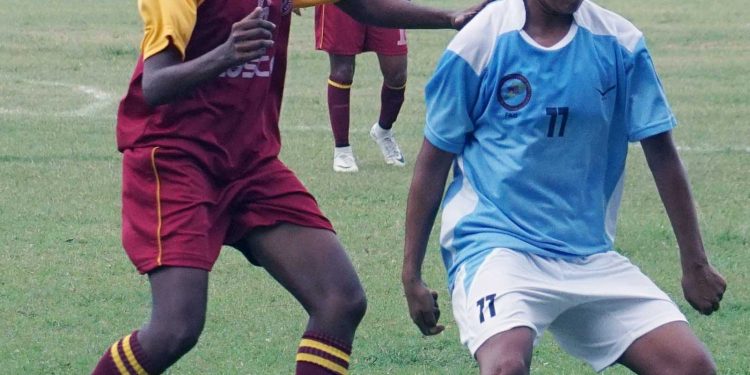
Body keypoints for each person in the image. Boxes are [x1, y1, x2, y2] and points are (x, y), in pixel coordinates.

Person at [89, 0, 489, 373]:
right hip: (176, 160)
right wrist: (226, 53)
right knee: (176, 329)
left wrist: (449, 19)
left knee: (340, 300)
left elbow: (360, 4)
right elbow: (154, 85)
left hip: (249, 164)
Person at [401, 0, 727, 374]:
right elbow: (432, 164)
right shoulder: (480, 42)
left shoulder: (620, 42)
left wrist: (694, 261)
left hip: (588, 254)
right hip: (497, 247)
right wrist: (411, 273)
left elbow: (663, 156)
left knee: (692, 367)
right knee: (506, 364)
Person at [315, 3, 408, 172]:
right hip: (339, 5)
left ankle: (383, 131)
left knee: (397, 73)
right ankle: (342, 149)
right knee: (342, 72)